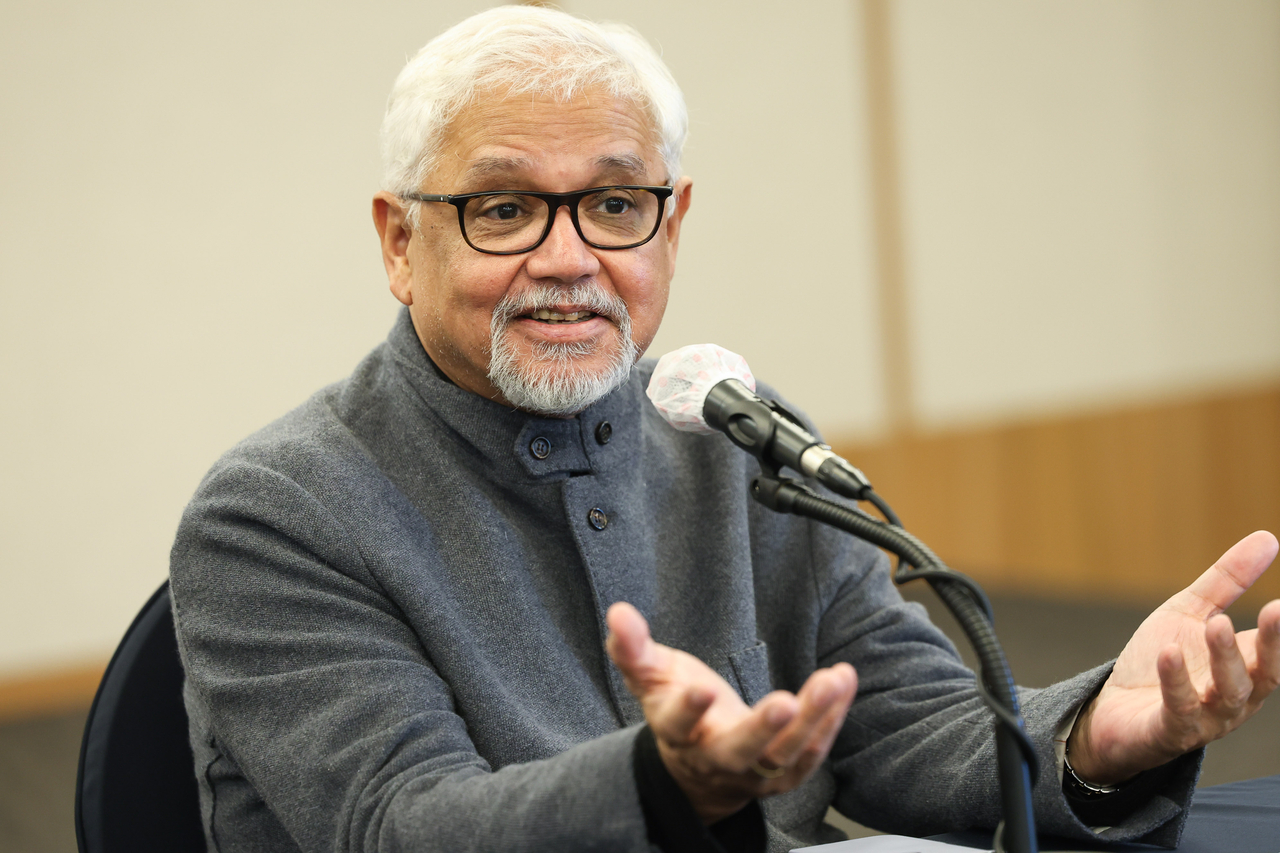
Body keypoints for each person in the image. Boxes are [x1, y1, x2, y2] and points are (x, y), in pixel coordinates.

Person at [169, 6, 1280, 852]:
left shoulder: (729, 433)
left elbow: (899, 725)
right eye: (502, 208)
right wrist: (664, 785)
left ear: (670, 225)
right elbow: (401, 826)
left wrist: (1091, 738)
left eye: (613, 205)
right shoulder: (274, 511)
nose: (567, 259)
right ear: (401, 244)